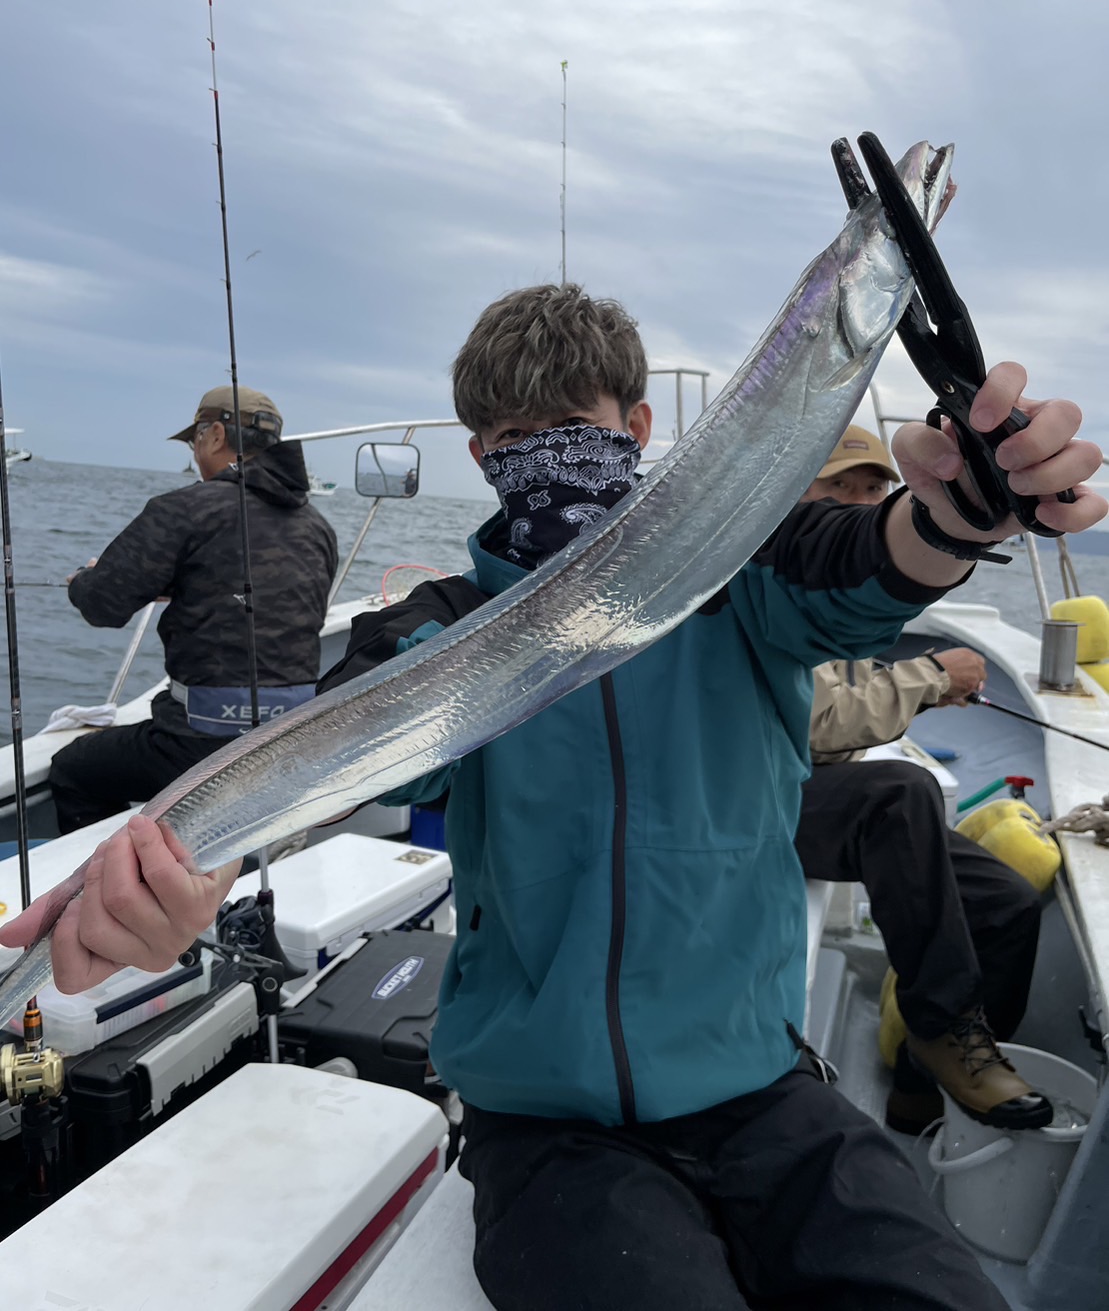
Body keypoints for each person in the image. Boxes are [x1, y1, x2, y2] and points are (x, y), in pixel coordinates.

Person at [4, 286, 1104, 1311]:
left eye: (572, 425)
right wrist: (191, 872)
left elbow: (874, 559)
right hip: (543, 1125)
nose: (545, 455)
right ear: (480, 457)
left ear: (637, 427)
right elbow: (335, 758)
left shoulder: (738, 587)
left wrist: (960, 511)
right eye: (514, 436)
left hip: (764, 1088)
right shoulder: (437, 629)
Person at [797, 426, 1045, 1135]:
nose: (858, 501)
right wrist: (930, 677)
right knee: (901, 792)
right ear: (794, 494)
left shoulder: (841, 585)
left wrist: (915, 686)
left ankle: (919, 1082)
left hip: (821, 789)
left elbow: (837, 693)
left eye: (872, 488)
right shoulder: (769, 576)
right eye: (837, 486)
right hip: (752, 793)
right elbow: (813, 722)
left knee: (1007, 904)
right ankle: (941, 1023)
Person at [47, 386, 338, 832]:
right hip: (285, 741)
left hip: (197, 744)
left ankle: (126, 872)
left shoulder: (184, 509)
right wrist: (180, 585)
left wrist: (84, 580)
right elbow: (265, 596)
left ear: (215, 434)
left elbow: (102, 606)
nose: (195, 451)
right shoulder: (317, 527)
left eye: (194, 440)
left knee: (73, 769)